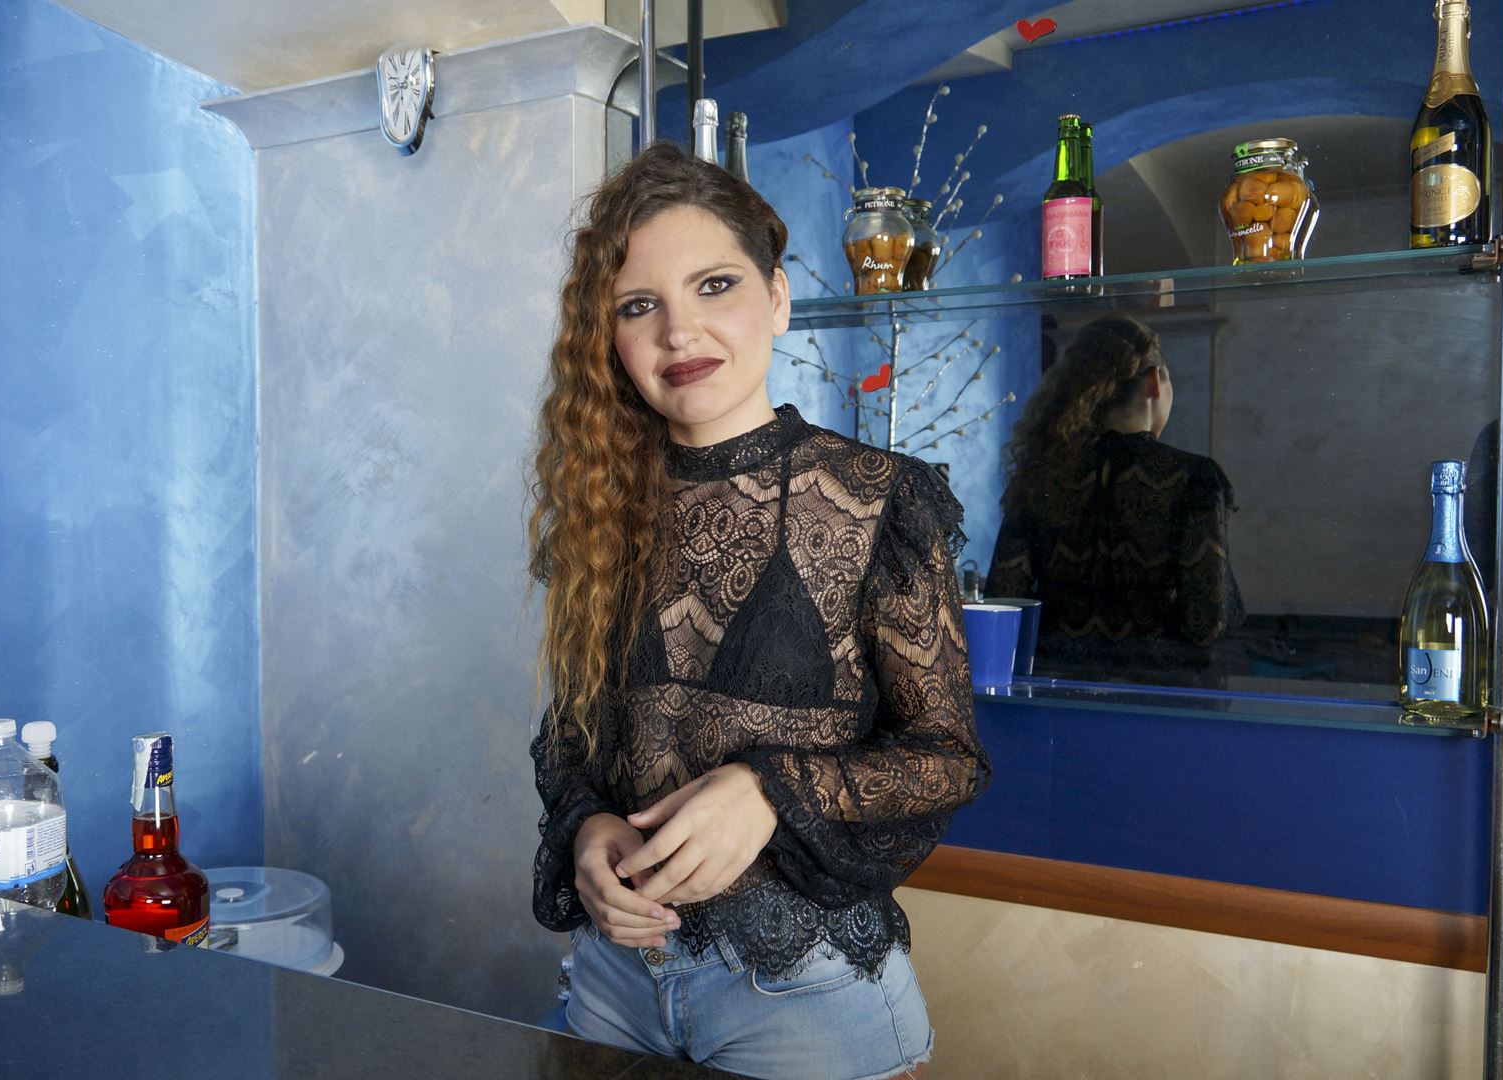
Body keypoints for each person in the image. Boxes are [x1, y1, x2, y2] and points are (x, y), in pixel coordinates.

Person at [525, 140, 989, 1080]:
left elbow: (947, 757)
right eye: (639, 305)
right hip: (614, 982)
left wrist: (772, 788)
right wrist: (586, 829)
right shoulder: (600, 507)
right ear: (608, 336)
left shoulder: (877, 499)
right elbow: (573, 732)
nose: (679, 332)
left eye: (715, 286)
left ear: (777, 297)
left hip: (807, 1001)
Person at [988, 313, 1243, 674]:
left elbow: (1004, 597)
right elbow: (1207, 621)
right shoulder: (1193, 477)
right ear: (1154, 381)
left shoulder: (1041, 475)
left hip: (1056, 683)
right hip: (1158, 689)